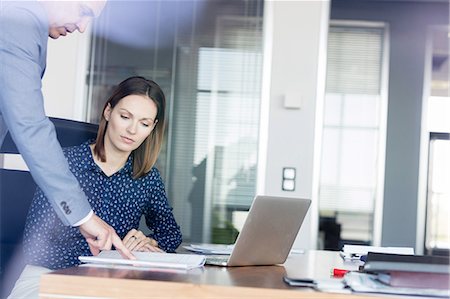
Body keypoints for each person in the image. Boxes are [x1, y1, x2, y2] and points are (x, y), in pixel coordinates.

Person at [9, 76, 182, 298]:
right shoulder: (63, 164)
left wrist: (147, 241)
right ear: (108, 112)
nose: (132, 130)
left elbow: (171, 234)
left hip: (108, 282)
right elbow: (36, 245)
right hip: (48, 276)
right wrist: (104, 260)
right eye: (125, 116)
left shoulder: (146, 178)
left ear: (152, 128)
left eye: (144, 123)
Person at [0, 1, 134, 259]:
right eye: (83, 11)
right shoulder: (20, 21)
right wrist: (83, 216)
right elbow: (30, 125)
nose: (83, 27)